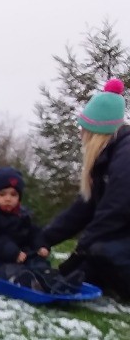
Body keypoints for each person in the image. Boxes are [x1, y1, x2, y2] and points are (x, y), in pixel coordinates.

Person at [43, 79, 130, 300]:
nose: (81, 135)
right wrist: (41, 239)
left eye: (84, 130)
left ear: (97, 132)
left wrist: (81, 250)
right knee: (82, 271)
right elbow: (83, 210)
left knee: (99, 252)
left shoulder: (126, 157)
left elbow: (115, 209)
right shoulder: (107, 159)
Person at [0, 167, 77, 292]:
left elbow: (34, 233)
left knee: (38, 263)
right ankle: (24, 281)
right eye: (2, 194)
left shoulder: (23, 215)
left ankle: (53, 280)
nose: (8, 199)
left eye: (13, 194)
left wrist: (41, 246)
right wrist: (12, 253)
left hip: (22, 256)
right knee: (8, 269)